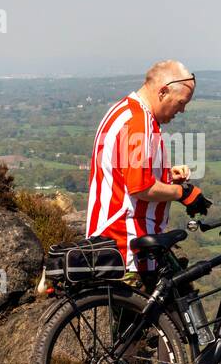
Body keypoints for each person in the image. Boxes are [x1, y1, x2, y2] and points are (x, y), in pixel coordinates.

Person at [86, 60, 212, 274]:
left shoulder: (125, 111)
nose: (182, 110)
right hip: (126, 245)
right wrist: (184, 192)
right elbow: (140, 187)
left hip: (114, 240)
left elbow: (124, 171)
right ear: (163, 92)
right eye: (181, 102)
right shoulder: (138, 121)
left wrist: (166, 175)